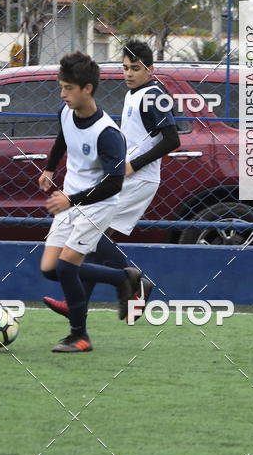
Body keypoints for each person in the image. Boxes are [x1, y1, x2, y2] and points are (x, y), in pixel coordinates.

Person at [44, 39, 180, 323]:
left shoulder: (154, 94)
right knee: (91, 240)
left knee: (91, 236)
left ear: (150, 70)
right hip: (126, 175)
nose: (129, 73)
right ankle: (80, 300)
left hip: (138, 179)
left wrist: (133, 163)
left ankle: (130, 283)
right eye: (125, 67)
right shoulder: (133, 93)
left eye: (136, 68)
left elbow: (172, 140)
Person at [39, 51, 149, 353]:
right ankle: (123, 278)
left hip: (97, 205)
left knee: (66, 268)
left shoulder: (108, 134)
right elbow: (63, 138)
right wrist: (50, 168)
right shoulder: (66, 110)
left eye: (69, 88)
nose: (63, 94)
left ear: (87, 88)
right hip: (70, 200)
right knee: (49, 269)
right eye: (61, 87)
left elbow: (114, 185)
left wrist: (70, 199)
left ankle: (80, 337)